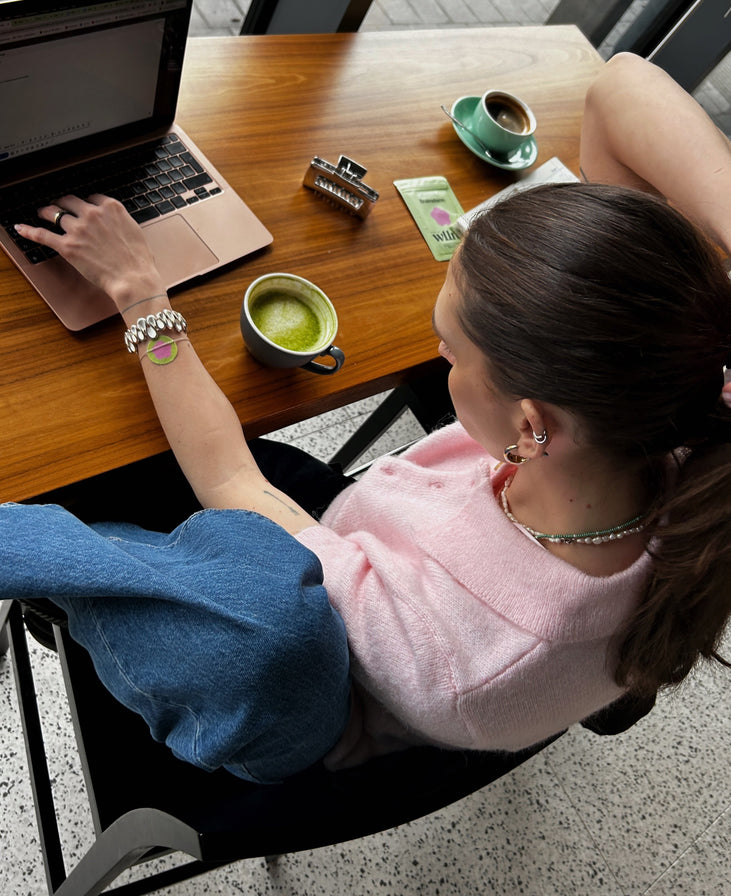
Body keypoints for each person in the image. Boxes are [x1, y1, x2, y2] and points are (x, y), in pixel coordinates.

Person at [4, 53, 730, 783]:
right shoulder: (679, 410)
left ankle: (55, 616)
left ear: (532, 429)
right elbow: (621, 84)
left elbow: (230, 475)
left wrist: (140, 293)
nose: (436, 348)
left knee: (70, 475)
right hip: (388, 548)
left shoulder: (440, 642)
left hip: (321, 651)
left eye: (450, 350)